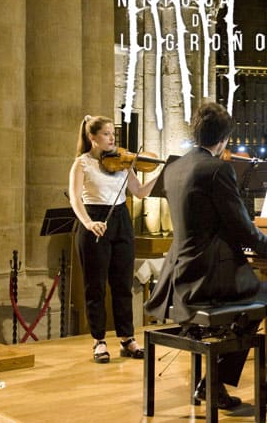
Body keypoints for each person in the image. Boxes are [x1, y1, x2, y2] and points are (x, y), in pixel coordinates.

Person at [144, 102, 267, 408]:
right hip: (208, 279)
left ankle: (212, 383)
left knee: (254, 302)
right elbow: (240, 225)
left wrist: (254, 240)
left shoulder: (174, 167)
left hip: (180, 277)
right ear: (223, 139)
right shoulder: (218, 168)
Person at [68, 115, 160, 364]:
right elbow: (75, 198)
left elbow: (139, 192)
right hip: (94, 219)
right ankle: (98, 340)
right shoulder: (82, 163)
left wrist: (160, 176)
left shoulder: (122, 162)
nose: (112, 138)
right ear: (92, 138)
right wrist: (88, 223)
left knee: (122, 285)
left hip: (121, 220)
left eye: (113, 134)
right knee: (95, 286)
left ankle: (127, 338)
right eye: (107, 134)